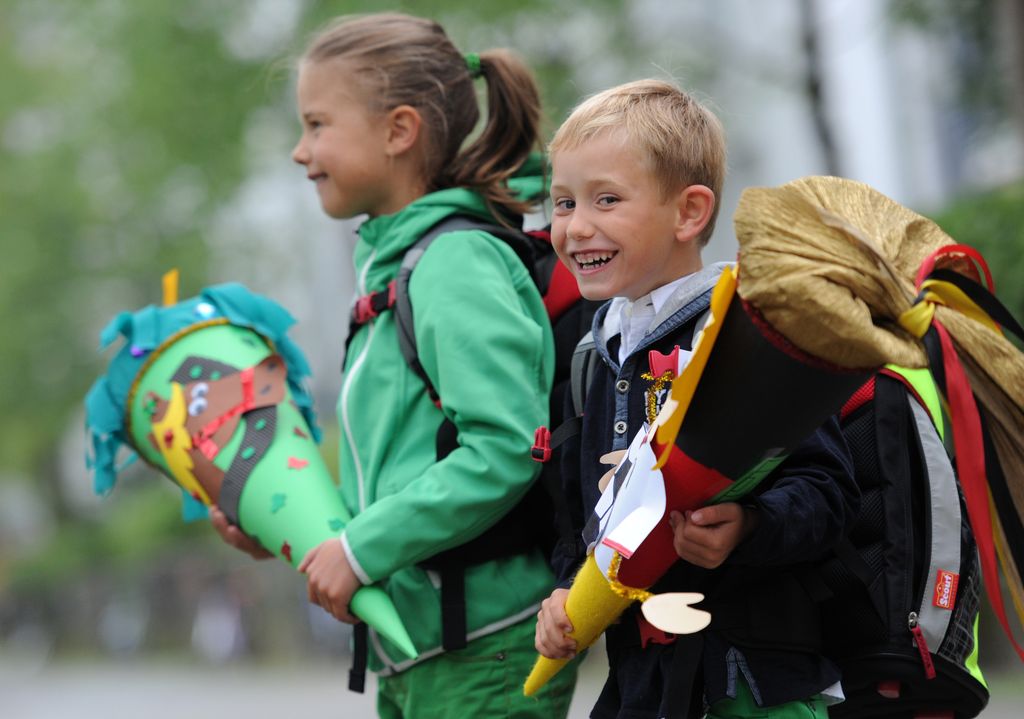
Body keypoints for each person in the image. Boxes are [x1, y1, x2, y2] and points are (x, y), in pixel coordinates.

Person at [212, 12, 576, 718]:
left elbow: (506, 447)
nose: (299, 150)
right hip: (420, 648)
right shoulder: (395, 268)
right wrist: (294, 530)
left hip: (486, 647)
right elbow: (406, 473)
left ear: (398, 130)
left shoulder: (453, 261)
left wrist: (360, 548)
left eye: (317, 124)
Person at [534, 79, 859, 718]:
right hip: (642, 688)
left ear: (689, 212)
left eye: (606, 199)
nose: (576, 227)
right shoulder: (592, 352)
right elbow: (590, 517)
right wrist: (568, 594)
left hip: (753, 684)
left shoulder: (746, 334)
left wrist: (751, 526)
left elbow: (831, 491)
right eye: (564, 203)